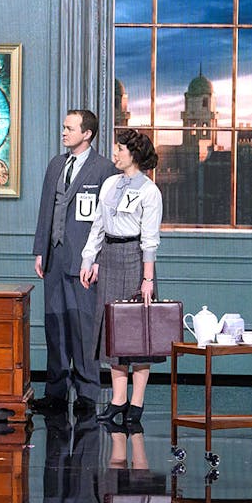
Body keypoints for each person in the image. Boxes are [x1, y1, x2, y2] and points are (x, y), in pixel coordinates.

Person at [31, 110, 115, 416]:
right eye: (64, 127)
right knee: (55, 327)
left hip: (83, 261)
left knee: (83, 328)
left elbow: (108, 220)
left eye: (69, 128)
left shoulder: (104, 168)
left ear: (87, 133)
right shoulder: (56, 164)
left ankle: (87, 394)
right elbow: (46, 209)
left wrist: (98, 260)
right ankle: (55, 392)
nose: (63, 132)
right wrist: (41, 250)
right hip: (55, 258)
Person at [79, 128, 163, 427]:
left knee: (137, 336)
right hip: (110, 258)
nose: (114, 153)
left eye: (120, 149)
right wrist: (89, 259)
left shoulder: (149, 191)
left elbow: (150, 239)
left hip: (134, 259)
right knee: (114, 334)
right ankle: (117, 400)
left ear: (134, 155)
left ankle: (136, 404)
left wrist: (148, 279)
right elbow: (98, 224)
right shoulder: (111, 184)